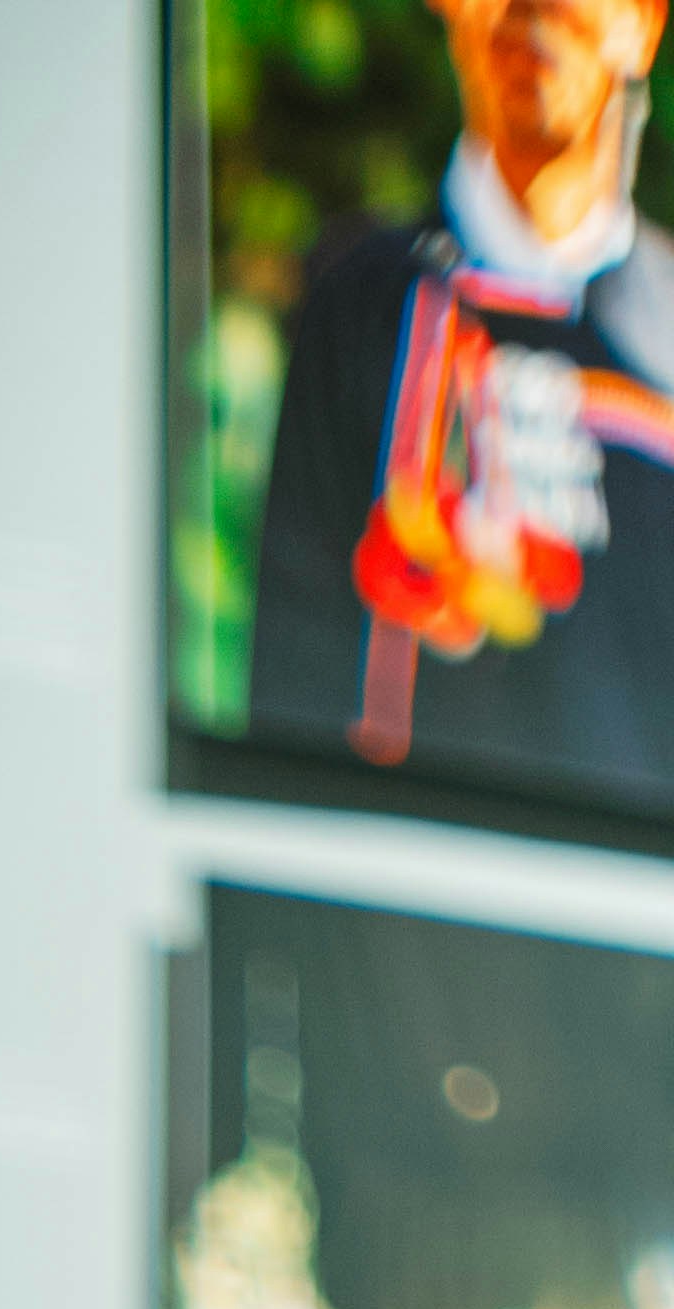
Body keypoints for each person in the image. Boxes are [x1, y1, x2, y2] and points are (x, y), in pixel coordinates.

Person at [249, 0, 674, 814]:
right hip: (395, 868)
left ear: (642, 25)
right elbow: (289, 673)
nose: (532, 13)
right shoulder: (360, 305)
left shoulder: (666, 342)